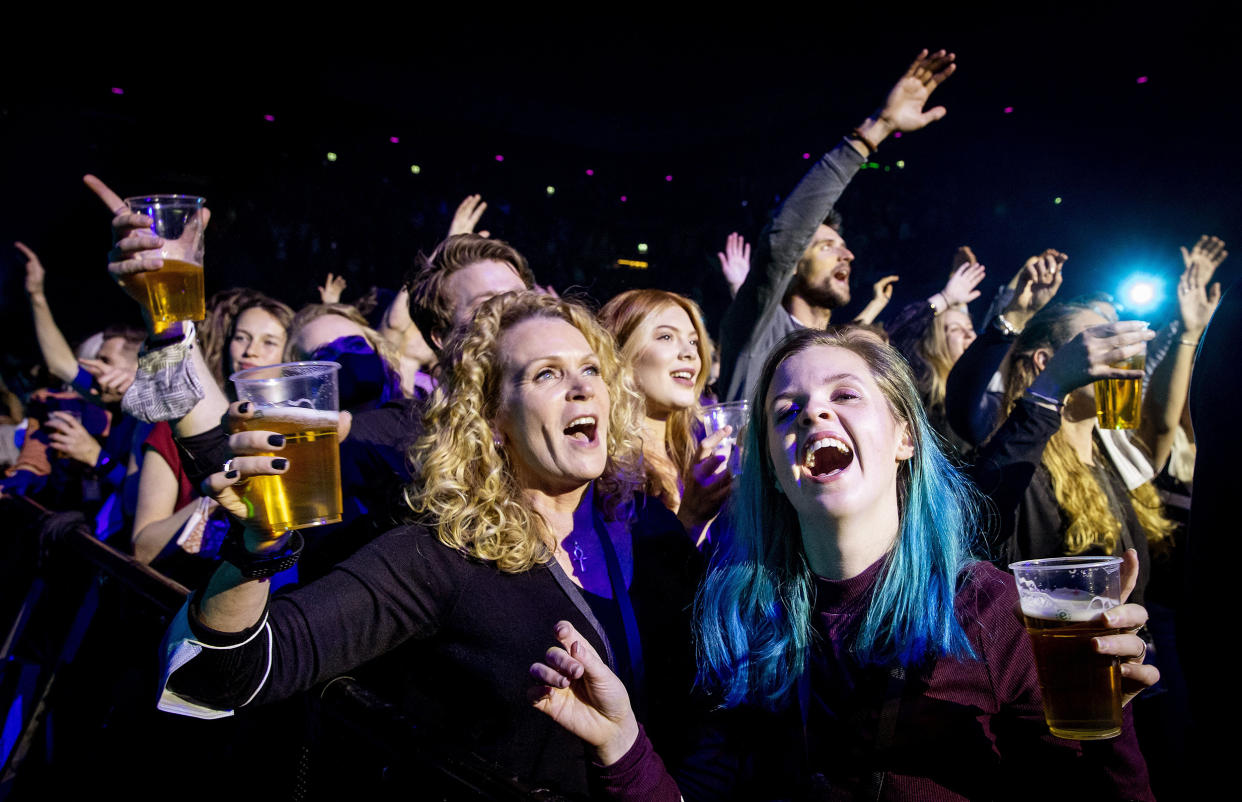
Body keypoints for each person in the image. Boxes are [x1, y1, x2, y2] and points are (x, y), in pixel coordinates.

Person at [531, 326, 1156, 800]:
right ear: (773, 470)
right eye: (785, 411)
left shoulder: (991, 611)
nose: (813, 412)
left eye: (845, 394)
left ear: (904, 437)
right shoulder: (738, 616)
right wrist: (623, 743)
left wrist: (1107, 723)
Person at [155, 292, 702, 796]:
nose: (582, 387)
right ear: (492, 421)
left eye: (590, 370)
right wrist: (257, 550)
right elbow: (223, 674)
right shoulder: (437, 556)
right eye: (545, 374)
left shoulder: (654, 532)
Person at [718, 49, 956, 403]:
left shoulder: (842, 353)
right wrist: (876, 130)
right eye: (826, 245)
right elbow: (781, 244)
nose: (846, 254)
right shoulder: (759, 334)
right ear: (795, 264)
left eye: (843, 245)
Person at [973, 304, 1172, 602]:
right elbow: (984, 517)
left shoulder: (1111, 457)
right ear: (1047, 361)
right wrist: (1051, 387)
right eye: (1098, 343)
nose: (1117, 353)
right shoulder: (1022, 458)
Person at [599, 290, 730, 546]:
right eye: (666, 336)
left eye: (693, 342)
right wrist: (691, 518)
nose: (690, 353)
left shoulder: (696, 452)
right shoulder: (602, 471)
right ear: (621, 353)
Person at [886, 247, 987, 454]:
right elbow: (899, 333)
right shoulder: (925, 384)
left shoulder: (980, 386)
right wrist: (946, 298)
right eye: (956, 330)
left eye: (970, 329)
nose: (970, 335)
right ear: (937, 343)